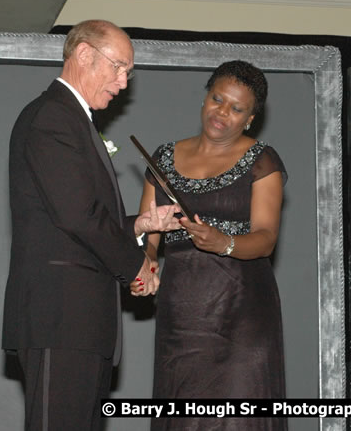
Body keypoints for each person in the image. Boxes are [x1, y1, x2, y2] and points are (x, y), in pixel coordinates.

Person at [2, 19, 181, 431]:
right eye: (118, 68)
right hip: (60, 318)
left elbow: (76, 214)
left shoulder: (73, 119)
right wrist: (137, 265)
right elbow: (77, 217)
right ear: (84, 54)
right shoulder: (53, 117)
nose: (123, 83)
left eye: (129, 74)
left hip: (79, 323)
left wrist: (139, 225)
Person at [137, 60, 287, 430]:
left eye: (237, 109)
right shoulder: (163, 158)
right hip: (182, 315)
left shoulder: (262, 160)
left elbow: (266, 238)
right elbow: (150, 235)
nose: (223, 112)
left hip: (242, 316)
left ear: (250, 119)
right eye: (218, 99)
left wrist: (226, 243)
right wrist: (147, 262)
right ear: (205, 98)